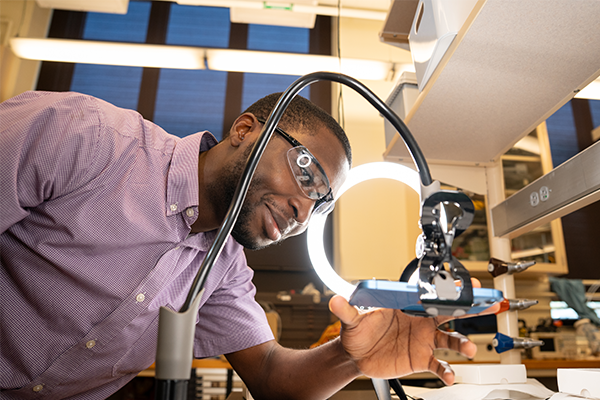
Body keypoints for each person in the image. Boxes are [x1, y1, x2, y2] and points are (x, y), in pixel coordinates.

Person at [0, 90, 494, 399]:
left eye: (320, 205)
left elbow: (273, 379)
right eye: (307, 174)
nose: (304, 212)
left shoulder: (225, 270)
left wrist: (353, 357)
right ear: (244, 131)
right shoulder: (82, 137)